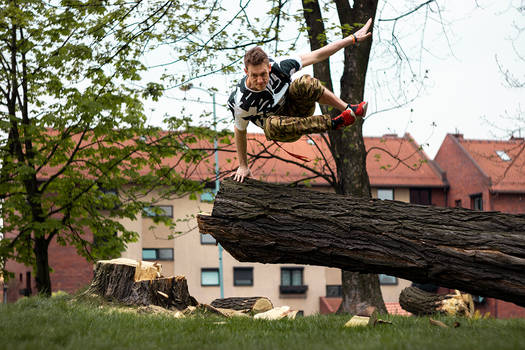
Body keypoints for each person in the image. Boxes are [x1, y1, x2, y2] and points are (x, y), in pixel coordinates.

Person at [228, 18, 373, 182]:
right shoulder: (242, 102)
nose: (260, 80)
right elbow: (240, 131)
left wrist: (352, 39)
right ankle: (334, 123)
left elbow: (318, 55)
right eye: (254, 76)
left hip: (299, 108)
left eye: (263, 74)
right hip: (283, 128)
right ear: (246, 72)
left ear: (269, 67)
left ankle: (349, 108)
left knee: (305, 82)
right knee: (272, 123)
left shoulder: (281, 66)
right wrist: (243, 165)